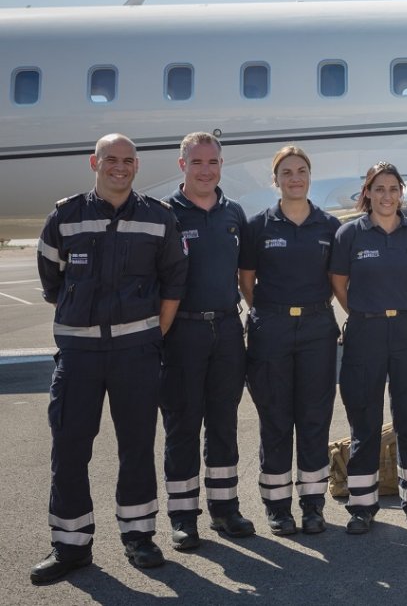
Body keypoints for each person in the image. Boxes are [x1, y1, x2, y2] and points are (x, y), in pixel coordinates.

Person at [32, 134, 187, 584]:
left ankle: (138, 536)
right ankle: (70, 546)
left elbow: (173, 282)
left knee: (136, 446)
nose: (119, 167)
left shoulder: (159, 218)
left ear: (136, 166)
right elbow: (51, 279)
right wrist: (79, 316)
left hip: (136, 352)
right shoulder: (66, 216)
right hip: (79, 353)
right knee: (69, 447)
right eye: (110, 160)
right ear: (94, 163)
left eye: (127, 161)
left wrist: (150, 335)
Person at [238, 146, 341, 536]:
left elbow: (335, 282)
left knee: (314, 419)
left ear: (309, 177)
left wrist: (308, 310)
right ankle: (278, 506)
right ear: (275, 180)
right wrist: (273, 312)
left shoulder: (329, 226)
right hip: (271, 329)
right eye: (286, 172)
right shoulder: (258, 226)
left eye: (301, 170)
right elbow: (246, 282)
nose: (294, 178)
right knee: (276, 420)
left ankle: (313, 505)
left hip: (316, 328)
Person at [160, 132, 254, 551]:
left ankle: (225, 508)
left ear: (221, 164)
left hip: (227, 330)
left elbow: (245, 274)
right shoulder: (164, 214)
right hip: (182, 331)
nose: (206, 169)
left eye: (213, 162)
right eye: (197, 162)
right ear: (182, 165)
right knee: (182, 424)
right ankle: (183, 517)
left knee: (224, 421)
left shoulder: (233, 213)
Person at [330, 162, 407, 534]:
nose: (387, 195)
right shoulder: (349, 234)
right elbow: (339, 283)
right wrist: (366, 311)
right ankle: (362, 505)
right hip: (365, 331)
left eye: (393, 188)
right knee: (365, 419)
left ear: (401, 193)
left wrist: (400, 307)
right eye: (379, 189)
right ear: (368, 193)